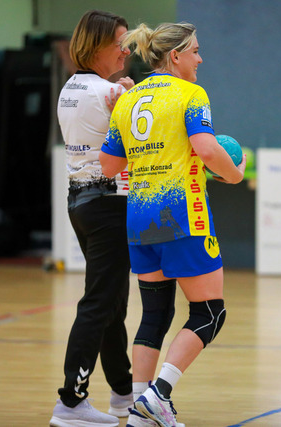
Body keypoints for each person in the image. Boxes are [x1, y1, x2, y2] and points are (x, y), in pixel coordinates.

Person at [99, 22, 246, 427]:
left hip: (140, 216)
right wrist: (234, 174)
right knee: (209, 313)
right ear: (176, 56)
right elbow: (206, 149)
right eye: (195, 51)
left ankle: (140, 409)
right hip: (182, 215)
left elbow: (109, 165)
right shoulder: (191, 94)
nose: (200, 59)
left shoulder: (130, 99)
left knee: (155, 314)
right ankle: (158, 395)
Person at [49, 10, 136, 427]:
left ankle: (122, 393)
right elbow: (134, 147)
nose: (127, 51)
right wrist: (128, 96)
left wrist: (121, 92)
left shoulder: (71, 87)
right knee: (101, 302)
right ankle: (71, 401)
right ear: (97, 45)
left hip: (81, 203)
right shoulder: (111, 93)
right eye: (121, 43)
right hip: (108, 206)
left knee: (112, 301)